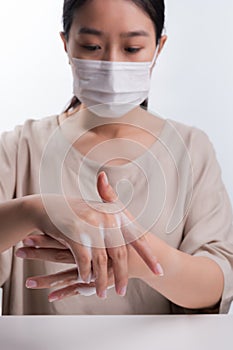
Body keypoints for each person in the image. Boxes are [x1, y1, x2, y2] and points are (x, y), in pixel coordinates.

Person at [0, 0, 233, 316]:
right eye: (92, 46)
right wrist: (33, 210)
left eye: (132, 48)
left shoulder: (191, 149)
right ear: (65, 43)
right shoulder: (18, 149)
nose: (111, 64)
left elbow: (216, 285)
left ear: (158, 48)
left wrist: (145, 259)